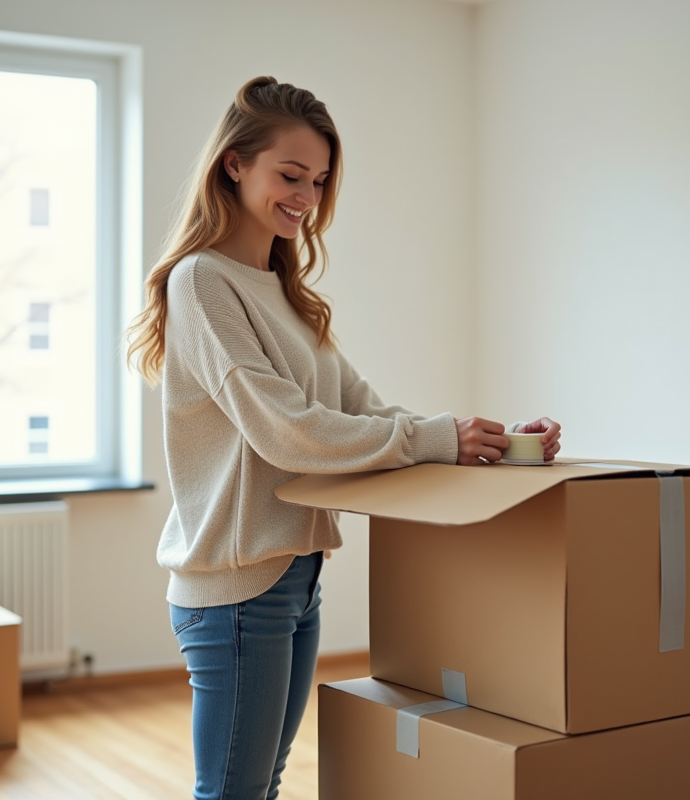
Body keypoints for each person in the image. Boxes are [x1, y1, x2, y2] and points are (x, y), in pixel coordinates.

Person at [124, 76, 561, 800]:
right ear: (234, 164)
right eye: (290, 175)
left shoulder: (286, 294)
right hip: (237, 587)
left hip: (295, 576)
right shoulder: (201, 282)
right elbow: (288, 434)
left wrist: (489, 440)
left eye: (319, 181)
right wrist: (436, 439)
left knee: (261, 781)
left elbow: (370, 414)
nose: (306, 196)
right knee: (234, 792)